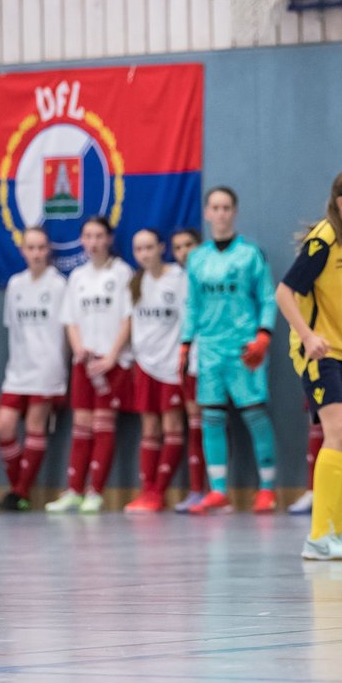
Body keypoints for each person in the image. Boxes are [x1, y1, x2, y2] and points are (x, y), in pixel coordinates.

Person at [275, 169, 342, 560]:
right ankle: (318, 537)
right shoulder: (322, 239)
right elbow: (285, 292)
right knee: (338, 433)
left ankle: (341, 530)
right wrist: (307, 336)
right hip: (318, 352)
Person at [180, 187, 280, 515]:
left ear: (234, 212)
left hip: (243, 347)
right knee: (210, 417)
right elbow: (192, 304)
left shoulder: (251, 254)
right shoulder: (197, 257)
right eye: (215, 207)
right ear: (207, 213)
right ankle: (218, 490)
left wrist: (263, 335)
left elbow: (267, 296)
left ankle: (267, 488)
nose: (220, 214)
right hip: (208, 348)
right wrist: (185, 342)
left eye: (226, 207)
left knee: (254, 414)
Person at [46, 217, 133, 513]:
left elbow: (127, 318)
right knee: (81, 425)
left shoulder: (122, 273)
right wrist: (78, 348)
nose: (93, 242)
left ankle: (96, 491)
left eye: (99, 236)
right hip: (83, 361)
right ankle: (73, 490)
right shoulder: (77, 277)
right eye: (88, 236)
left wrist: (111, 356)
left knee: (103, 424)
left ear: (109, 239)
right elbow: (70, 319)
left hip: (112, 362)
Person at [0, 227, 68, 511]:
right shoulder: (15, 284)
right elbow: (13, 327)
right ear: (22, 250)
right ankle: (18, 489)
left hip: (47, 367)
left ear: (48, 250)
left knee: (36, 427)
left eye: (41, 248)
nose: (36, 253)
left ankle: (20, 493)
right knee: (4, 426)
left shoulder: (59, 285)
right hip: (18, 369)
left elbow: (66, 329)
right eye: (31, 248)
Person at [124, 229, 187, 513]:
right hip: (145, 365)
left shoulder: (179, 278)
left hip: (172, 365)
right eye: (138, 249)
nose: (144, 254)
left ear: (162, 247)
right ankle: (147, 490)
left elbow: (187, 321)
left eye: (149, 247)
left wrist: (184, 357)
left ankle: (160, 492)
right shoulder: (136, 282)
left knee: (172, 426)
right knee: (149, 429)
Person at [169, 228, 208, 512]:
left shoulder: (210, 273)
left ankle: (218, 488)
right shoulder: (171, 280)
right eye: (178, 247)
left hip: (213, 358)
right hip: (188, 361)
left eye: (189, 245)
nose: (184, 252)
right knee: (194, 425)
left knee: (213, 423)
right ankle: (197, 489)